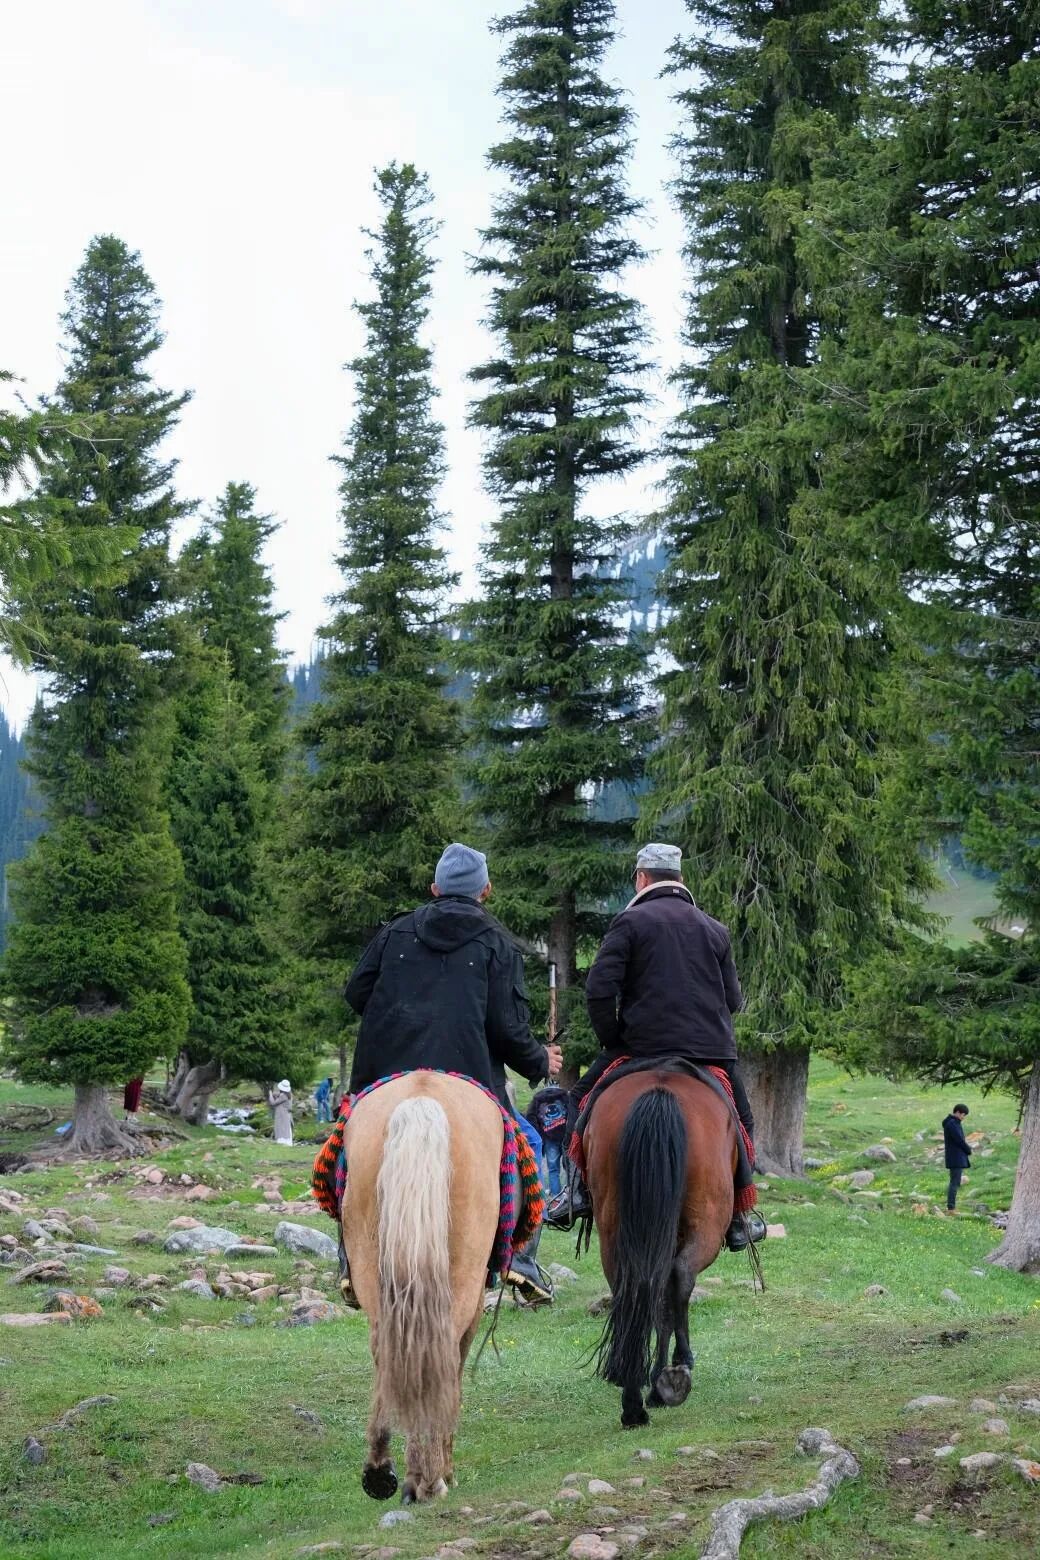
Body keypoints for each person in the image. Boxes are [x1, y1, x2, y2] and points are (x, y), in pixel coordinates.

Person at [343, 842, 563, 1302]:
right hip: (471, 1078)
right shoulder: (498, 944)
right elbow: (508, 1029)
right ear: (486, 890)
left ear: (435, 889)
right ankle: (521, 1260)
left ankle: (350, 1258)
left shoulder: (394, 933)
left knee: (345, 1151)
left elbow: (356, 994)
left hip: (385, 1077)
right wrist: (540, 1060)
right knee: (531, 1148)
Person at [546, 842, 766, 1253]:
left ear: (641, 879)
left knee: (578, 1100)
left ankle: (576, 1191)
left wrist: (614, 1040)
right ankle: (738, 1217)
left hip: (640, 1048)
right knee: (742, 1122)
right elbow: (734, 1000)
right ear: (680, 879)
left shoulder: (629, 923)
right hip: (709, 1052)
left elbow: (599, 990)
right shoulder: (715, 929)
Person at [528, 1083, 572, 1198]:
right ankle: (572, 1193)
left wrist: (540, 1135)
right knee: (570, 1167)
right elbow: (573, 1113)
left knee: (553, 1169)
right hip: (566, 1136)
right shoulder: (565, 1097)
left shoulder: (537, 1100)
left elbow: (531, 1118)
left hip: (549, 1139)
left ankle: (556, 1196)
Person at [942, 1103, 972, 1211]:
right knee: (954, 1183)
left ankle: (951, 1206)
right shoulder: (952, 1124)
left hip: (955, 1157)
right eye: (963, 1115)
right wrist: (968, 1150)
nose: (963, 1117)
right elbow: (959, 1140)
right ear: (958, 1112)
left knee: (955, 1182)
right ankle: (951, 1208)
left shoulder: (953, 1123)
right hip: (955, 1158)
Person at [268, 1079, 294, 1145]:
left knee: (281, 1128)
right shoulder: (289, 1094)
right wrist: (275, 1094)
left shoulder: (283, 1096)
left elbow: (273, 1103)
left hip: (282, 1115)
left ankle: (282, 1142)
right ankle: (286, 1142)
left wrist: (270, 1094)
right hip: (286, 1115)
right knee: (286, 1129)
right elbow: (278, 1095)